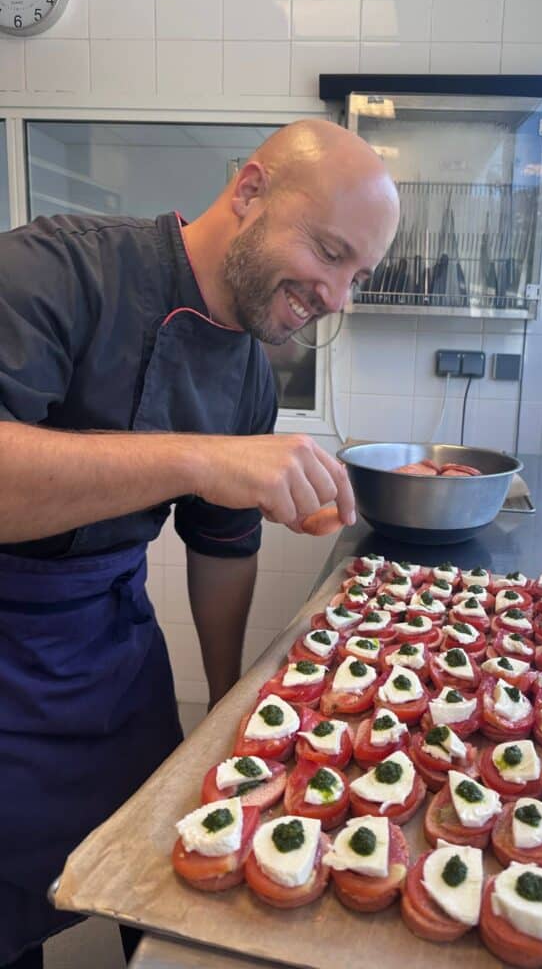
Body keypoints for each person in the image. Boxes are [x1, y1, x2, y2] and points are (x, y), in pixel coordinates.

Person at [0, 119, 400, 969]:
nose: (337, 296)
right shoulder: (56, 268)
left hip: (112, 656)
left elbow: (223, 549)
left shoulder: (249, 370)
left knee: (156, 881)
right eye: (330, 254)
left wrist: (230, 708)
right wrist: (202, 457)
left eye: (356, 274)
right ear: (250, 192)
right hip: (7, 667)